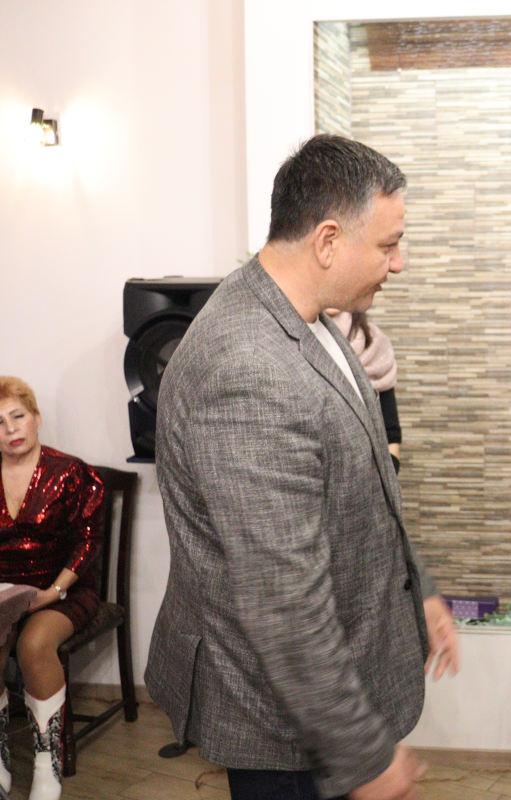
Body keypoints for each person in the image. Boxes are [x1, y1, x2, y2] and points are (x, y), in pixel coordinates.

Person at [145, 134, 459, 800]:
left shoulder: (307, 316)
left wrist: (420, 586)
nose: (398, 263)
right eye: (388, 244)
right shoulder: (247, 368)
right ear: (327, 241)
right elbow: (282, 598)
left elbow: (369, 482)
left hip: (332, 683)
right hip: (280, 727)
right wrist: (363, 755)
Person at [0, 376, 104, 800]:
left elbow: (88, 542)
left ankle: (48, 763)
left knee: (34, 643)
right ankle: (1, 756)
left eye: (18, 416)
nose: (10, 429)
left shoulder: (71, 472)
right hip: (6, 594)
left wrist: (54, 591)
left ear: (37, 418)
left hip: (63, 590)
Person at [326, 310, 404, 471]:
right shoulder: (293, 340)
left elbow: (390, 432)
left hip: (370, 474)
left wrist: (386, 471)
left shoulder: (374, 343)